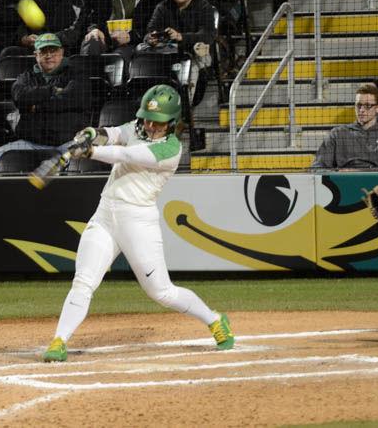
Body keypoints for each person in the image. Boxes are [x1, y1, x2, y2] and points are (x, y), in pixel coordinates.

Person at [41, 84, 234, 362]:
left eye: (157, 122)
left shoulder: (170, 149)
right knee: (83, 281)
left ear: (172, 123)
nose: (150, 126)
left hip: (138, 222)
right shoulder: (138, 127)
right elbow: (117, 134)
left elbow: (127, 155)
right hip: (105, 215)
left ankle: (214, 319)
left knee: (161, 292)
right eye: (147, 119)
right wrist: (94, 134)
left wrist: (91, 152)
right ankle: (59, 341)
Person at [0, 33, 86, 166]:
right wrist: (51, 91)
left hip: (69, 143)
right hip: (31, 144)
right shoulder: (26, 77)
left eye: (53, 51)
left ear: (61, 52)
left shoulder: (76, 74)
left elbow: (73, 99)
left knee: (89, 160)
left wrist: (37, 106)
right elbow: (20, 97)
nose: (49, 56)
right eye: (43, 52)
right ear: (36, 55)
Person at [142, 0, 217, 105]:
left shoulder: (204, 7)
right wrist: (151, 38)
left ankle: (185, 110)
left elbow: (208, 35)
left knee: (191, 64)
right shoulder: (163, 7)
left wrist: (181, 37)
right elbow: (150, 30)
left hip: (196, 53)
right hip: (168, 53)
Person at [312, 83, 378, 169]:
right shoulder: (338, 134)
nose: (361, 110)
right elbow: (318, 167)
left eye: (367, 106)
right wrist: (337, 174)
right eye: (358, 105)